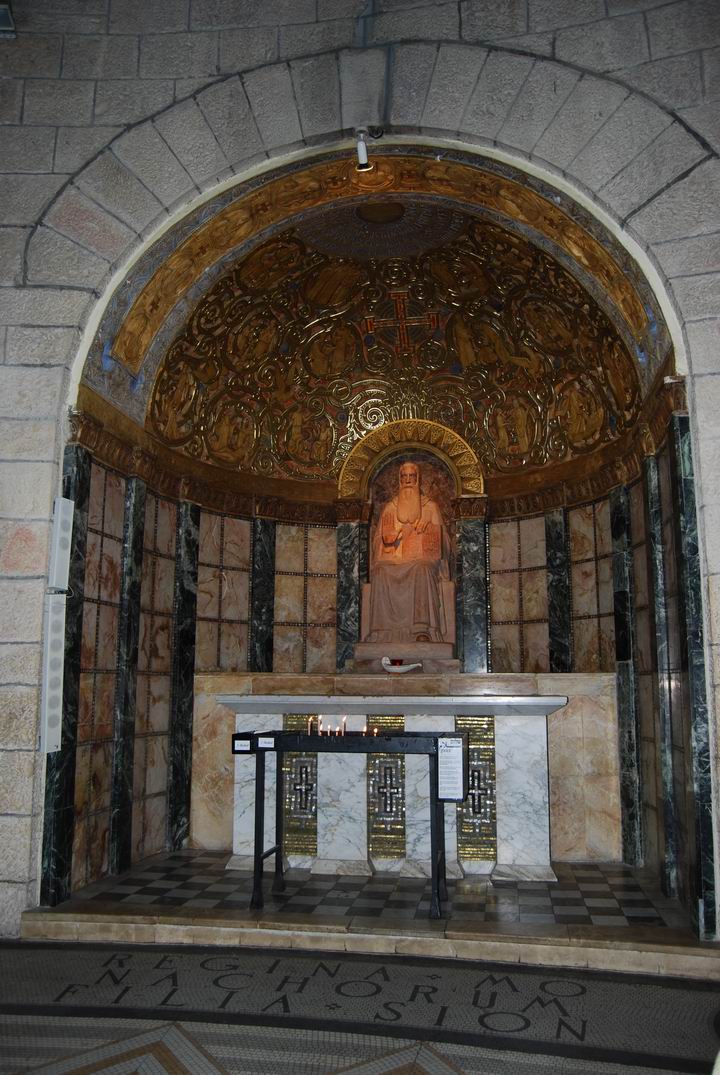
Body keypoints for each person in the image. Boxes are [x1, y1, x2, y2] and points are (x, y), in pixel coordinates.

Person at [364, 461, 451, 644]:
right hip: (395, 558)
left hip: (421, 560)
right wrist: (388, 539)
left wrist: (431, 530)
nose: (409, 480)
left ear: (418, 479)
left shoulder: (430, 507)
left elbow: (445, 545)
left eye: (412, 476)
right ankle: (381, 632)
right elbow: (377, 543)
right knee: (380, 572)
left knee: (422, 568)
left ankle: (421, 630)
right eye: (405, 477)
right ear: (400, 479)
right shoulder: (390, 508)